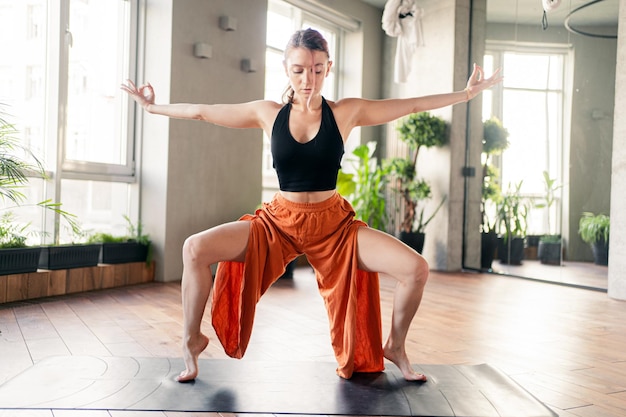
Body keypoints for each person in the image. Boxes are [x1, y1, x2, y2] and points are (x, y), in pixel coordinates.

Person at [121, 28, 502, 384]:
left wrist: (465, 95)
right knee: (194, 248)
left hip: (334, 227)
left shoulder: (345, 112)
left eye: (318, 70)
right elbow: (205, 110)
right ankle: (191, 341)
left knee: (416, 269)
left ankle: (395, 345)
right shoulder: (267, 113)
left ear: (328, 68)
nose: (309, 79)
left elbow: (411, 105)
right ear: (287, 68)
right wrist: (153, 109)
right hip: (278, 224)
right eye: (300, 70)